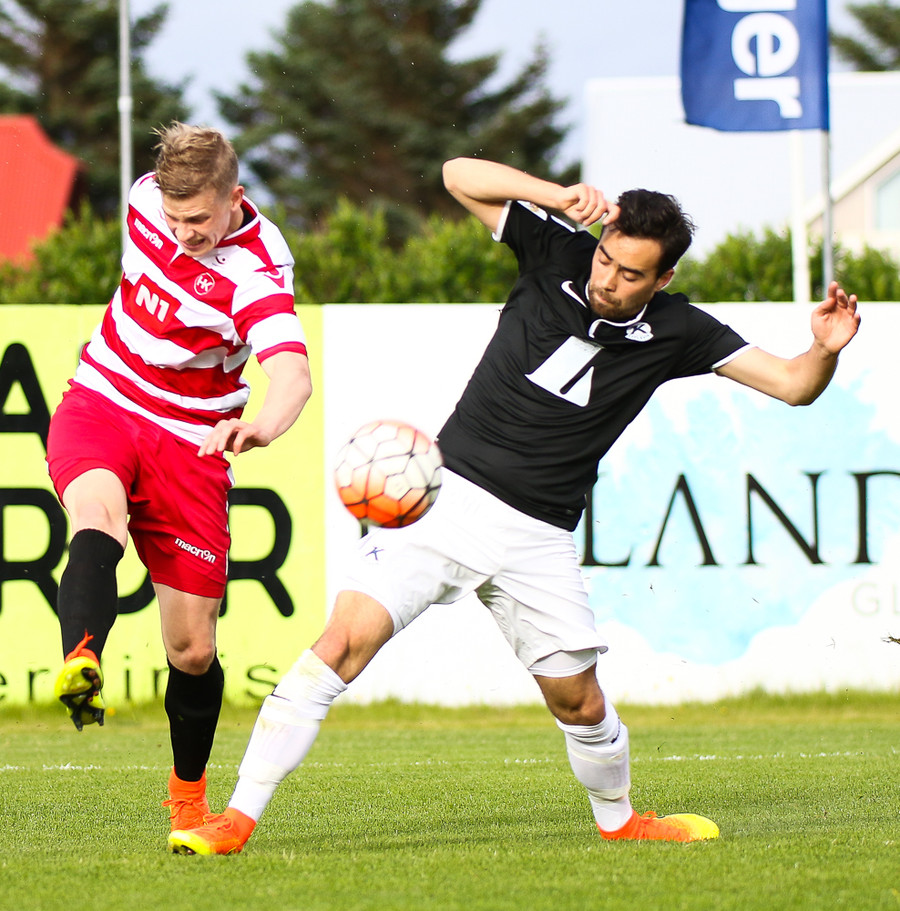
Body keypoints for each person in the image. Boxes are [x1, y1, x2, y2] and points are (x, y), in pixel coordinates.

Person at [167, 157, 860, 855]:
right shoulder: (556, 248)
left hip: (538, 536)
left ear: (663, 278)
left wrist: (823, 349)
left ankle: (622, 821)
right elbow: (455, 174)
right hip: (441, 500)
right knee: (339, 646)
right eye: (606, 259)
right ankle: (235, 821)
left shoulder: (682, 329)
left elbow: (795, 384)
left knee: (580, 702)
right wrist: (555, 196)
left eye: (630, 274)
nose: (608, 279)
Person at [46, 122, 312, 840]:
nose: (184, 232)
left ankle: (189, 799)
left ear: (235, 198)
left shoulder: (257, 271)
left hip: (191, 441)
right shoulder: (143, 198)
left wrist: (262, 425)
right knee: (96, 516)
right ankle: (81, 658)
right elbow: (162, 210)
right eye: (174, 217)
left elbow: (292, 374)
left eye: (198, 219)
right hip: (103, 398)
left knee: (191, 650)